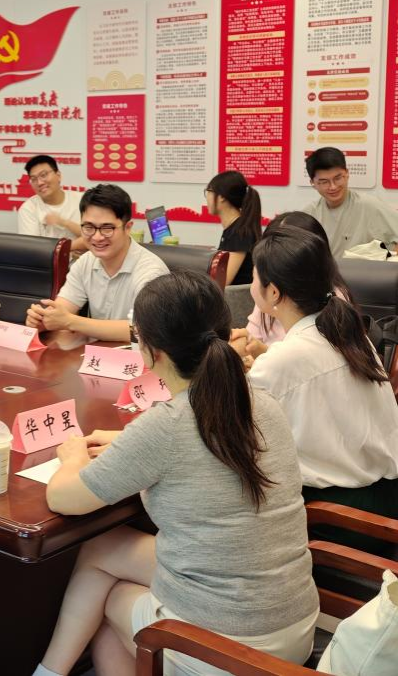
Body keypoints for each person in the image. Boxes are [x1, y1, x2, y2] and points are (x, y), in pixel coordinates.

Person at [33, 271, 317, 676]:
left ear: (150, 352)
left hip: (229, 647)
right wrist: (128, 443)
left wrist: (73, 456)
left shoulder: (165, 426)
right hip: (294, 625)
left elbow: (63, 498)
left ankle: (48, 671)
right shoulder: (259, 400)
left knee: (110, 607)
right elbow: (203, 444)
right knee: (99, 549)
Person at [247, 226, 398, 550]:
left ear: (273, 292)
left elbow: (238, 438)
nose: (251, 283)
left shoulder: (284, 360)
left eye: (254, 276)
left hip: (339, 518)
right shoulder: (349, 333)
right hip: (385, 498)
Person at [26, 184, 168, 342]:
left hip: (138, 355)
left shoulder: (151, 271)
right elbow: (62, 310)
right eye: (89, 227)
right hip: (95, 353)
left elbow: (141, 330)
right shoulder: (85, 262)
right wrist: (44, 320)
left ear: (128, 228)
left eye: (107, 228)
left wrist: (70, 321)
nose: (97, 237)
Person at [230, 212, 351, 359]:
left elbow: (301, 363)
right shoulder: (268, 294)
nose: (273, 257)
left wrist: (262, 355)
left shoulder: (332, 302)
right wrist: (251, 348)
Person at [302, 146, 398, 257]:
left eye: (338, 178)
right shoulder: (309, 215)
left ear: (347, 174)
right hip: (326, 268)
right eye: (324, 182)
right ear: (312, 183)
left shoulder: (370, 206)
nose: (333, 187)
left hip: (363, 268)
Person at [17, 155, 86, 251]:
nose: (39, 183)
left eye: (43, 175)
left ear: (58, 175)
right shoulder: (28, 209)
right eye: (34, 179)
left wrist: (63, 222)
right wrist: (66, 251)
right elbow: (32, 249)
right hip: (47, 261)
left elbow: (94, 237)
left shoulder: (82, 200)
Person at [205, 170, 261, 286]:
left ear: (221, 197)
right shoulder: (235, 228)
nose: (207, 197)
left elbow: (222, 282)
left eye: (209, 191)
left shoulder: (240, 233)